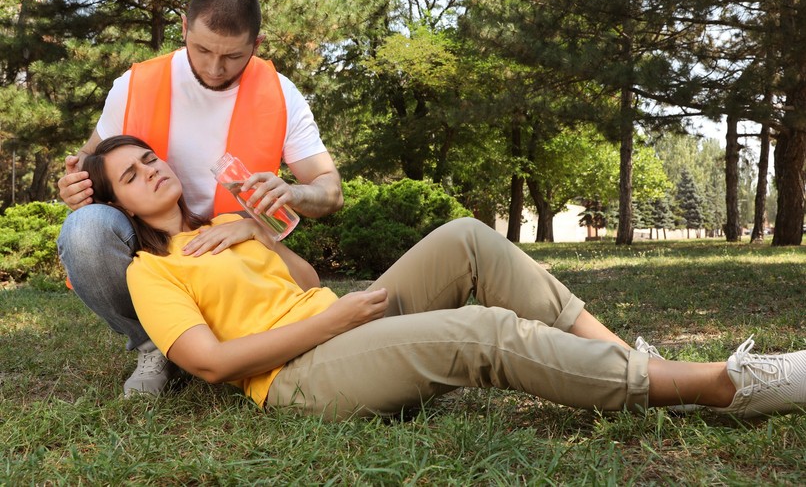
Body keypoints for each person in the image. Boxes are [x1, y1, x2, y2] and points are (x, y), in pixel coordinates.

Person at [82, 135, 806, 421]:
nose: (152, 170)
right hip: (298, 376)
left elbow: (302, 279)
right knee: (482, 333)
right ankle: (717, 387)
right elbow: (207, 364)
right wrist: (332, 322)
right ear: (118, 202)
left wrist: (259, 229)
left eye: (150, 158)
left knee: (466, 238)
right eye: (132, 174)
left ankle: (638, 366)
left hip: (341, 321)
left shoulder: (221, 230)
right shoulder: (151, 272)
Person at [57, 0, 344, 397]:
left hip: (235, 241)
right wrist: (75, 187)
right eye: (203, 50)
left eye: (233, 56)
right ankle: (154, 344)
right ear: (184, 28)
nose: (214, 69)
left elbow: (329, 190)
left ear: (257, 43)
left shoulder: (282, 94)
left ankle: (242, 337)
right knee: (84, 228)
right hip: (156, 245)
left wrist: (293, 192)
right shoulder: (133, 85)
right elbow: (87, 163)